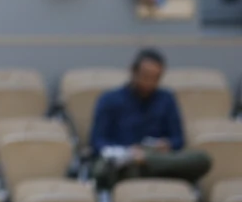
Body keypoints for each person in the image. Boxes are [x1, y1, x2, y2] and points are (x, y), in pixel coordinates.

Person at [90, 48, 212, 190]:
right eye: (145, 76)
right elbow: (98, 142)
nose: (149, 83)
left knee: (202, 159)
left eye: (155, 78)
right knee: (114, 168)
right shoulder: (109, 99)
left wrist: (165, 145)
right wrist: (128, 152)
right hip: (125, 161)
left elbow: (178, 140)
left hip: (160, 160)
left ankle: (148, 162)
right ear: (133, 71)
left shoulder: (166, 99)